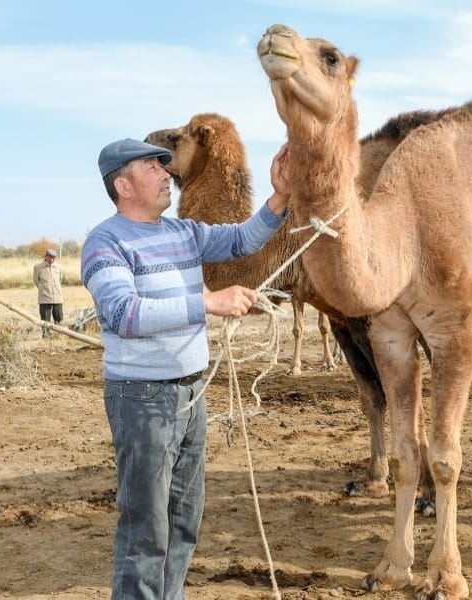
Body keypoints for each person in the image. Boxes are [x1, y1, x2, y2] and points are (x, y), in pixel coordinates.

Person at [80, 137, 289, 600]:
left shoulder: (183, 233)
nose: (165, 172)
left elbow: (241, 239)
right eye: (152, 166)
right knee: (147, 530)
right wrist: (208, 303)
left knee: (183, 520)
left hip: (191, 396)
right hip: (142, 399)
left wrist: (280, 197)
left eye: (163, 164)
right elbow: (123, 314)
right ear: (123, 184)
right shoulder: (104, 242)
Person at [33, 247, 64, 337]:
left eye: (54, 257)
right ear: (46, 257)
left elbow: (60, 280)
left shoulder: (59, 267)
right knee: (45, 318)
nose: (52, 259)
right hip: (45, 297)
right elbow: (36, 281)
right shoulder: (38, 267)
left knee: (58, 316)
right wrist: (44, 288)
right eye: (50, 257)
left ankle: (58, 333)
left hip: (57, 296)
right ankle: (46, 333)